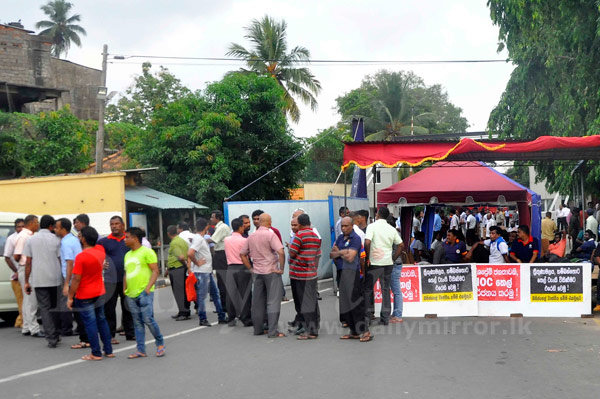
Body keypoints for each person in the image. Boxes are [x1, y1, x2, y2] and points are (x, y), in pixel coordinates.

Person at [67, 226, 113, 361]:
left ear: (84, 239)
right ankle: (108, 350)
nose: (79, 238)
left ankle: (96, 353)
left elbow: (76, 279)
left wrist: (70, 297)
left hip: (85, 294)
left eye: (80, 236)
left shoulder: (81, 257)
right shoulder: (100, 252)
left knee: (90, 324)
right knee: (102, 320)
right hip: (99, 291)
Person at [240, 213, 286, 338]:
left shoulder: (252, 236)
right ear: (270, 222)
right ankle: (272, 331)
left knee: (257, 302)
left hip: (257, 272)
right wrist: (281, 268)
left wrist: (251, 269)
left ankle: (258, 329)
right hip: (271, 271)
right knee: (273, 301)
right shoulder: (271, 234)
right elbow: (281, 252)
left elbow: (242, 254)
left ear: (259, 222)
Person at [123, 227, 165, 359]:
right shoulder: (127, 255)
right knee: (137, 322)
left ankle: (160, 343)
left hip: (144, 292)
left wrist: (148, 288)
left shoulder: (147, 252)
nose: (125, 239)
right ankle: (141, 350)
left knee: (148, 320)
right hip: (131, 293)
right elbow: (126, 273)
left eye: (127, 237)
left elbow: (155, 271)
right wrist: (125, 289)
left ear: (135, 239)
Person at [23, 215, 62, 348]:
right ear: (51, 227)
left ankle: (51, 338)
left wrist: (27, 281)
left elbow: (28, 262)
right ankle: (56, 334)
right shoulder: (57, 239)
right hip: (55, 279)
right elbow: (60, 259)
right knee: (55, 307)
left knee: (44, 308)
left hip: (39, 279)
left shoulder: (31, 240)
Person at [331, 217, 371, 342]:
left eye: (346, 226)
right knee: (345, 304)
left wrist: (339, 252)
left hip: (352, 273)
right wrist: (344, 252)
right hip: (341, 272)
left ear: (352, 226)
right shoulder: (339, 238)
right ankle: (353, 331)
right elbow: (331, 254)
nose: (343, 228)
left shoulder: (356, 239)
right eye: (342, 226)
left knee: (355, 303)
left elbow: (351, 258)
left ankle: (365, 331)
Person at [98, 216, 135, 344]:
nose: (114, 226)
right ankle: (110, 335)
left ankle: (130, 333)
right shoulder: (103, 242)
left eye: (117, 224)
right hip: (110, 280)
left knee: (128, 307)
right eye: (112, 224)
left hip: (128, 279)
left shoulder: (129, 240)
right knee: (109, 308)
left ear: (123, 225)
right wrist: (100, 263)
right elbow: (97, 256)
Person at [364, 207, 403, 326]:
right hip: (388, 263)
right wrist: (393, 258)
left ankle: (367, 317)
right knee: (385, 290)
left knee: (368, 290)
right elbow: (401, 245)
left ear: (378, 214)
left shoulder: (371, 227)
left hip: (374, 263)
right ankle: (385, 318)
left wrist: (368, 258)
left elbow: (367, 242)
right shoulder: (392, 229)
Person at [288, 213, 321, 340]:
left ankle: (310, 331)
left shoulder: (299, 235)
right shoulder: (315, 236)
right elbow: (317, 254)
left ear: (300, 224)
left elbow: (292, 253)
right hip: (311, 274)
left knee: (303, 303)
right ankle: (313, 327)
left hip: (299, 275)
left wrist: (290, 248)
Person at [189, 218, 227, 326]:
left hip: (206, 271)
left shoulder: (199, 238)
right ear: (206, 227)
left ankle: (221, 316)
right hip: (202, 272)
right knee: (202, 296)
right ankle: (203, 318)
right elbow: (190, 253)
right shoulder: (198, 239)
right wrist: (197, 263)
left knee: (215, 294)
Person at [13, 215, 42, 337]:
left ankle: (26, 326)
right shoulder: (23, 236)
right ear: (31, 223)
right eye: (36, 222)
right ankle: (34, 328)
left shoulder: (29, 235)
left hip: (27, 268)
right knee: (31, 300)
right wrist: (25, 262)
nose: (38, 225)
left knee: (27, 300)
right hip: (26, 268)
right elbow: (16, 255)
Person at [54, 218, 82, 338]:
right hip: (77, 275)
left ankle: (66, 328)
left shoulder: (66, 242)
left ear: (63, 229)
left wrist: (66, 283)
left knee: (66, 303)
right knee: (76, 304)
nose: (55, 229)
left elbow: (69, 263)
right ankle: (80, 328)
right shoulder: (74, 239)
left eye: (57, 227)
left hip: (70, 277)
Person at [224, 218, 252, 327]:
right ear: (241, 227)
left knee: (231, 294)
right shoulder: (245, 240)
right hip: (242, 267)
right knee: (245, 293)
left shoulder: (226, 239)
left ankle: (231, 317)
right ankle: (246, 318)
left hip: (230, 267)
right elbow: (248, 255)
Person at [207, 210, 231, 316]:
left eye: (212, 217)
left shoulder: (222, 228)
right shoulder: (219, 228)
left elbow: (212, 240)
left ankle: (225, 306)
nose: (211, 219)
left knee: (223, 282)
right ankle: (224, 305)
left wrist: (199, 239)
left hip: (222, 255)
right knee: (221, 281)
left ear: (217, 218)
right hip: (220, 255)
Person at [3, 218, 25, 329]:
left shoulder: (27, 237)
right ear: (15, 228)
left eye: (22, 226)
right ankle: (22, 322)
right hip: (17, 275)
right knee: (21, 301)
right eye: (18, 226)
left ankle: (20, 321)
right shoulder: (11, 239)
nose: (20, 228)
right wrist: (16, 271)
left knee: (27, 301)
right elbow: (7, 257)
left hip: (27, 273)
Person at [166, 225, 190, 321]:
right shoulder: (181, 240)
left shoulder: (174, 243)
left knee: (179, 292)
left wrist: (184, 264)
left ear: (168, 234)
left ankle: (184, 312)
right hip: (179, 268)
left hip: (177, 268)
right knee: (182, 291)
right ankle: (183, 310)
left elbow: (180, 257)